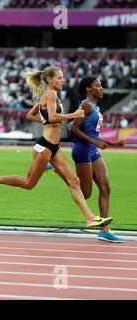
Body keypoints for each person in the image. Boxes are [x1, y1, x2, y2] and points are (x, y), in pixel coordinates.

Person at [0, 66, 113, 229]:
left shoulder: (52, 95)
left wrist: (47, 120)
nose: (63, 80)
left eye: (62, 78)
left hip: (54, 147)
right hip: (45, 146)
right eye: (59, 77)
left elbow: (31, 115)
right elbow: (54, 117)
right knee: (28, 183)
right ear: (49, 80)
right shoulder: (50, 93)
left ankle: (91, 218)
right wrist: (73, 115)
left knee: (74, 181)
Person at [71, 76, 125, 242]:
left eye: (101, 86)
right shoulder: (85, 105)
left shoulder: (96, 107)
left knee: (105, 187)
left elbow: (94, 133)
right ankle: (61, 171)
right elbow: (73, 129)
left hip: (92, 150)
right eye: (98, 86)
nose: (101, 88)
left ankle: (104, 230)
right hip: (82, 151)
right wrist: (95, 142)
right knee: (86, 193)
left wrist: (111, 143)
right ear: (88, 89)